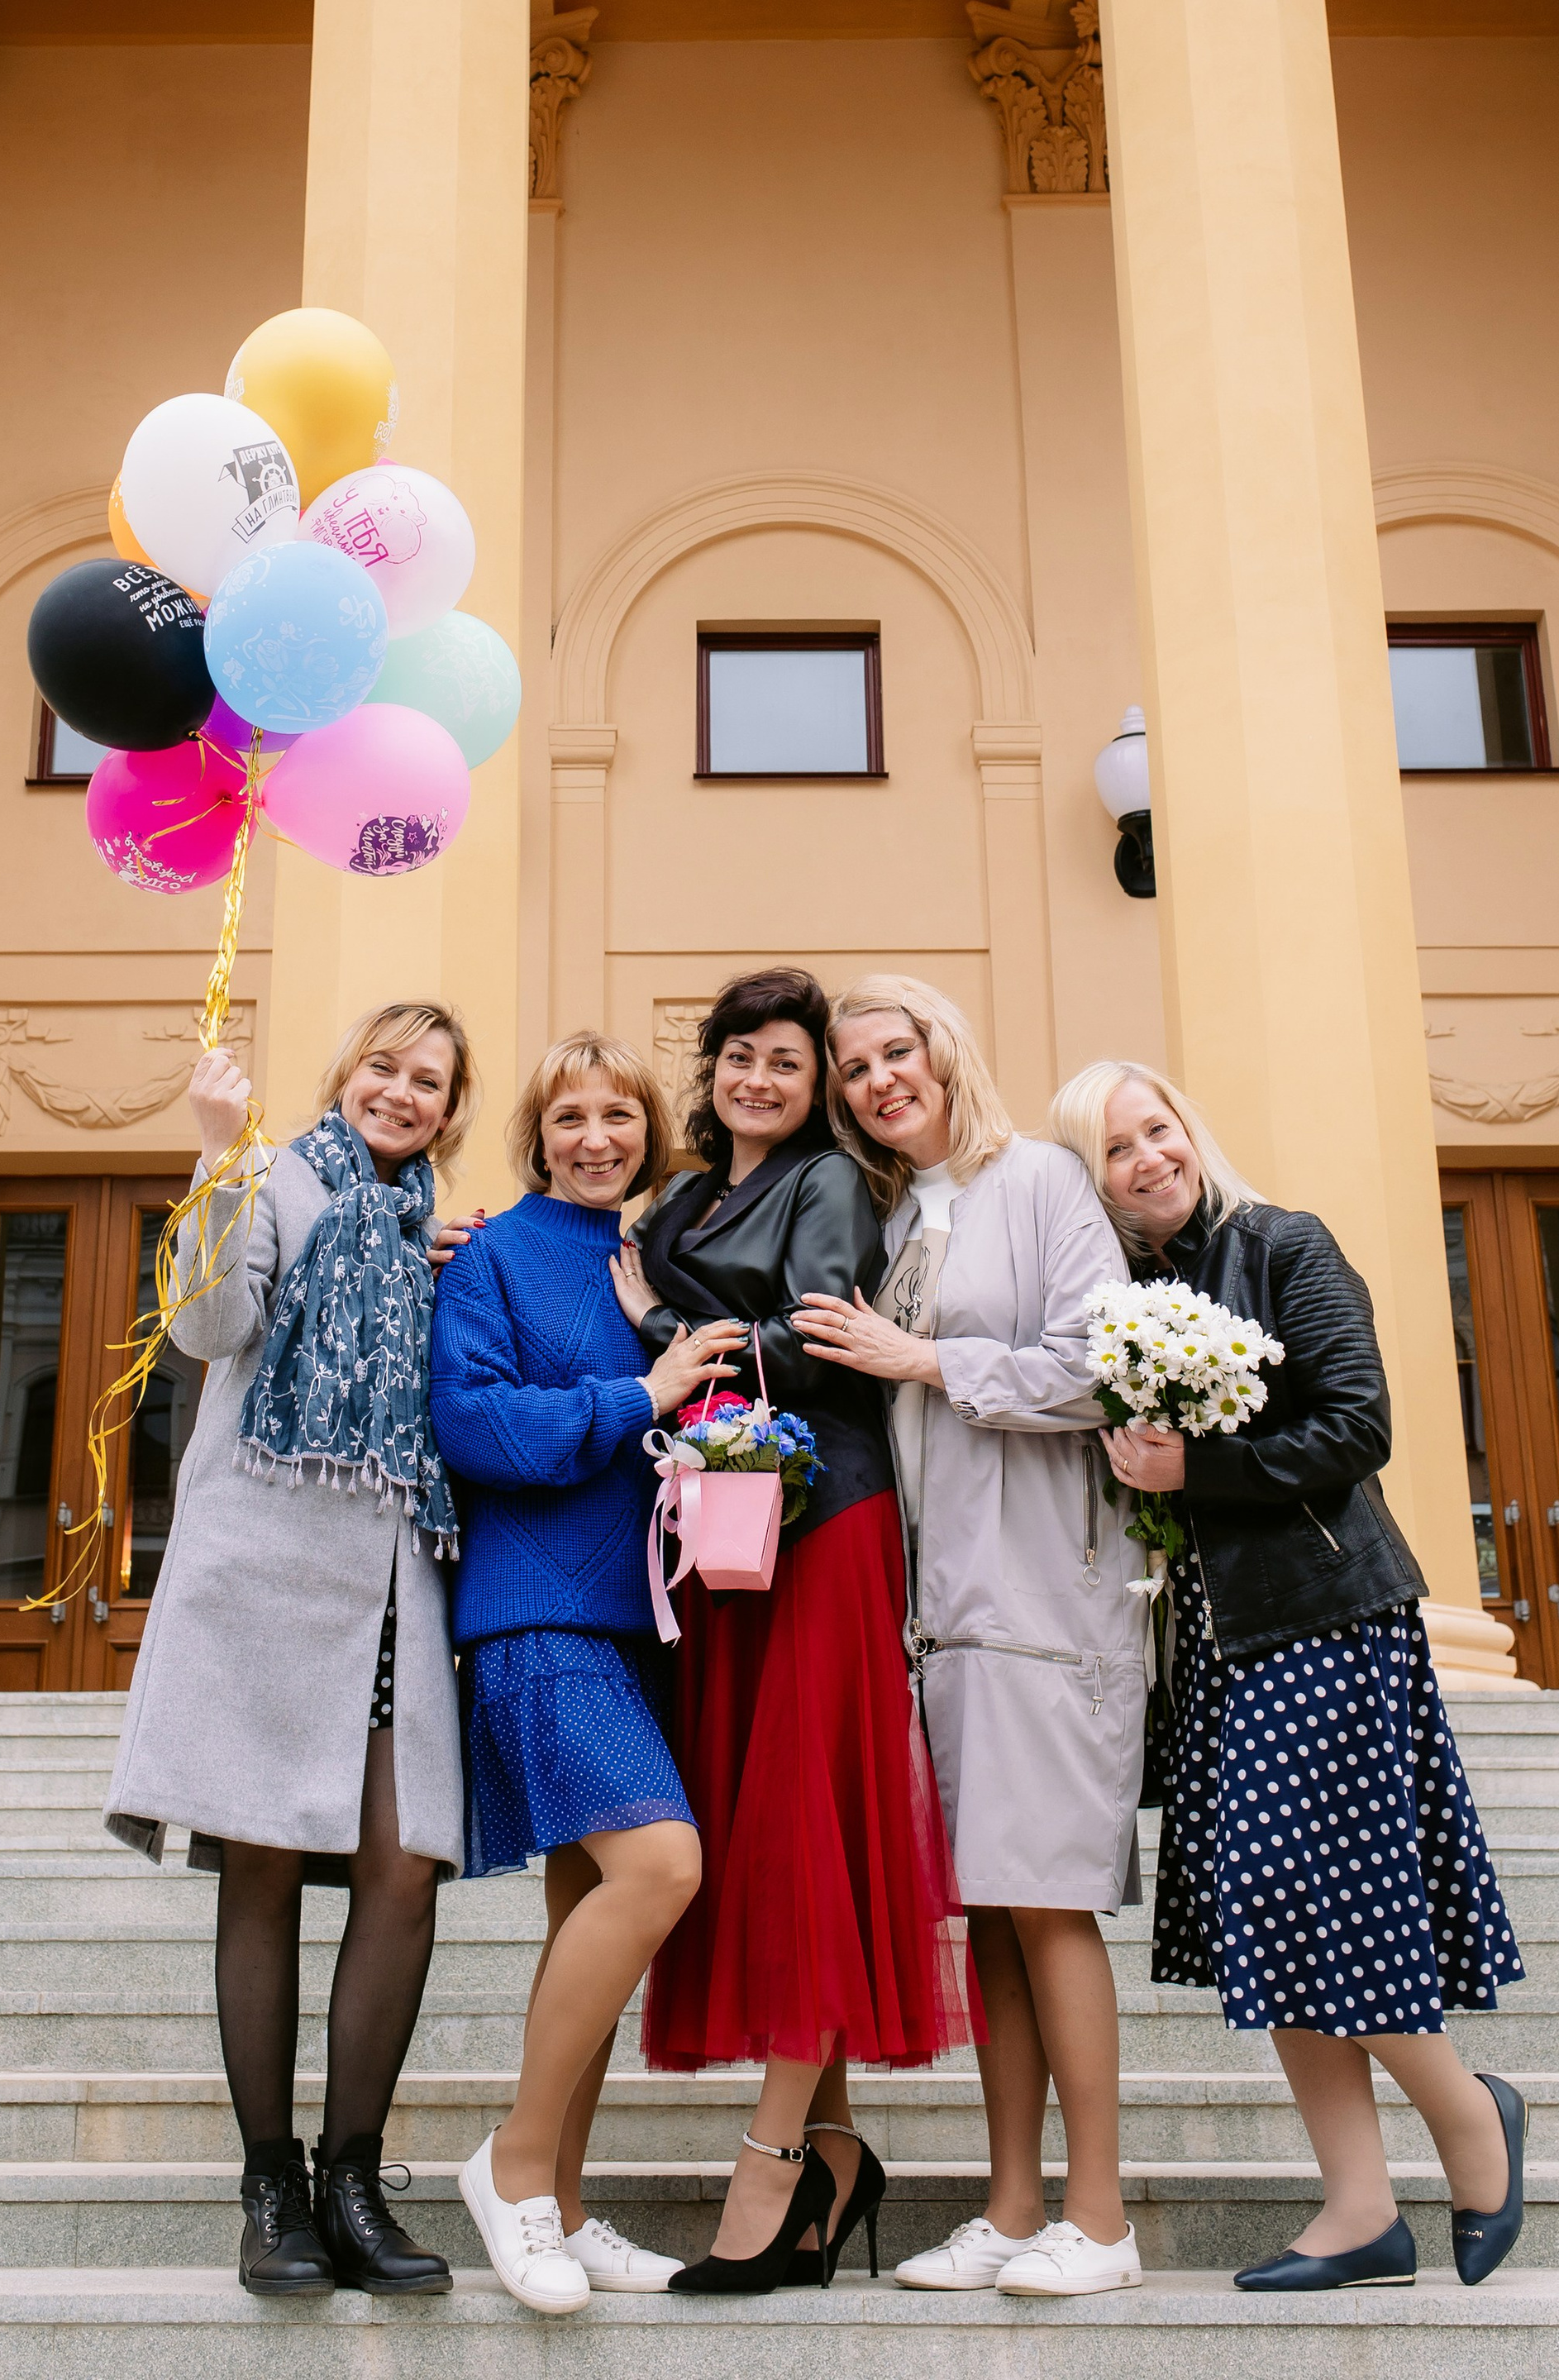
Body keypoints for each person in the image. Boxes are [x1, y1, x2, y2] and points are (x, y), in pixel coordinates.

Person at [1045, 1058, 1528, 2292]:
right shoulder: (1118, 1297)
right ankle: (1360, 2208)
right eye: (1115, 1149)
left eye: (1156, 1130)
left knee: (1303, 1890)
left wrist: (1188, 1474)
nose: (1148, 1158)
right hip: (1213, 1635)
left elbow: (1357, 1428)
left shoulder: (1283, 1244)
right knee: (1278, 1911)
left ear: (1188, 1129)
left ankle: (1471, 2116)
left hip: (1327, 1613)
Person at [104, 1001, 477, 2300]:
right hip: (266, 1570)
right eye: (385, 1066)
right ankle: (271, 2188)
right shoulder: (272, 1177)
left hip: (394, 1584)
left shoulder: (437, 1230)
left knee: (403, 1867)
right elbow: (206, 1330)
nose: (403, 1092)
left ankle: (353, 2180)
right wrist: (213, 1152)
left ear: (450, 1109)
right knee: (260, 1870)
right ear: (344, 1077)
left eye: (430, 1080)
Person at [616, 967, 977, 2297]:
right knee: (764, 1829)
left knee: (799, 1824)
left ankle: (767, 2173)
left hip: (821, 1518)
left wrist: (658, 1322)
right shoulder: (684, 1198)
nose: (759, 1080)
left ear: (816, 1085)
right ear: (709, 1069)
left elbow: (824, 1344)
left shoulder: (825, 1182)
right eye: (739, 1057)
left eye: (787, 1063)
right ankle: (831, 2159)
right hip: (720, 1535)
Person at [799, 976, 1146, 2301]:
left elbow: (1105, 1364)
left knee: (1047, 1904)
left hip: (1048, 1601)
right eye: (858, 1070)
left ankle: (1100, 2218)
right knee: (991, 1915)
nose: (881, 1079)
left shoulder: (1046, 1183)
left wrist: (929, 1362)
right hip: (938, 1617)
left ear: (946, 1052)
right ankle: (1012, 2209)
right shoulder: (891, 1221)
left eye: (899, 1051)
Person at [430, 1032, 746, 2316]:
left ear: (653, 1134)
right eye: (571, 1117)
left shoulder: (660, 1255)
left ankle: (560, 2201)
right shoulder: (495, 1251)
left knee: (589, 1924)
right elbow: (473, 1426)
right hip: (537, 1613)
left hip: (648, 1619)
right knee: (662, 1866)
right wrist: (638, 1389)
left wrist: (673, 1365)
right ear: (537, 1133)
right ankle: (512, 2172)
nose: (597, 1136)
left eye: (622, 1114)